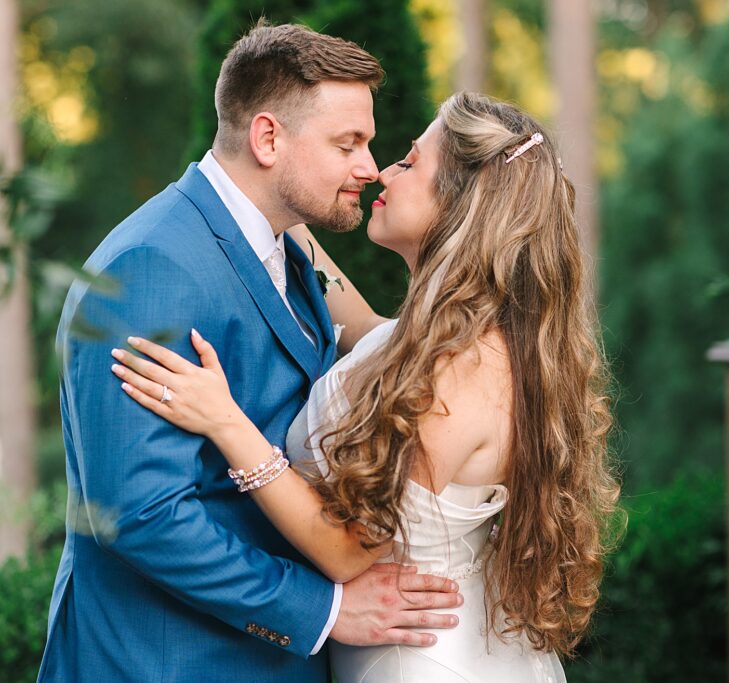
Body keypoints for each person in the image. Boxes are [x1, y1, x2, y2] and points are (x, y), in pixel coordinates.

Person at [113, 91, 623, 682]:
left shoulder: (465, 368)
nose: (382, 171)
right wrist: (259, 188)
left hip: (421, 661)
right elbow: (348, 308)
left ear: (460, 207)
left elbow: (347, 548)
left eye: (409, 162)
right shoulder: (432, 340)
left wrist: (227, 424)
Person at [37, 22, 463, 683]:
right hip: (165, 662)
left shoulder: (285, 245)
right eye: (347, 143)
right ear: (268, 138)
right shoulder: (152, 266)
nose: (369, 167)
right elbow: (140, 512)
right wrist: (322, 609)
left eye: (370, 143)